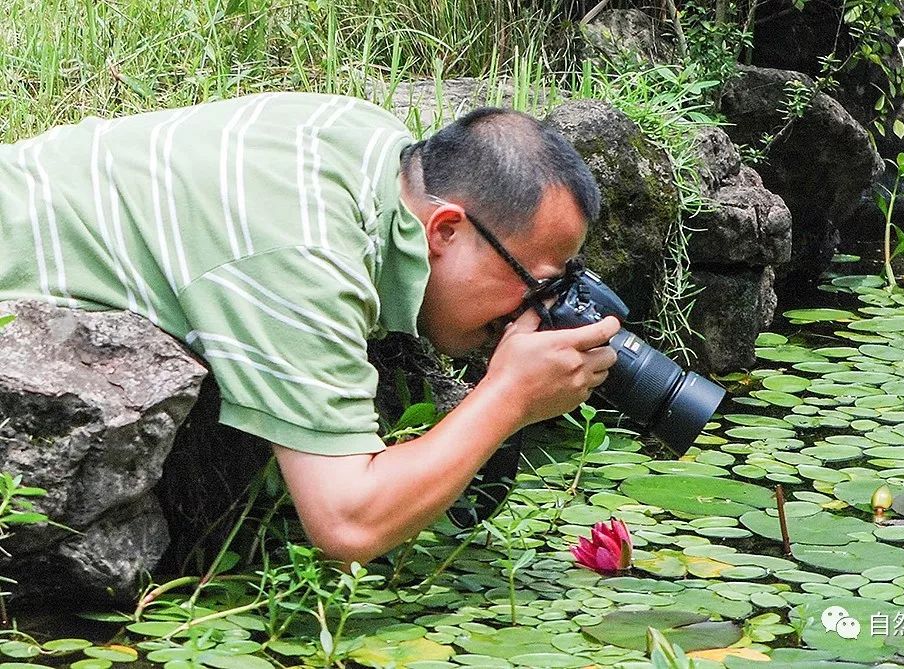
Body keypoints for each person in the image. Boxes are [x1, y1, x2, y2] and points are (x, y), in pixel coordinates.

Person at [0, 92, 619, 564]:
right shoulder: (305, 254)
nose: (539, 309)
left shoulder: (371, 143)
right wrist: (507, 397)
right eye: (536, 284)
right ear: (445, 230)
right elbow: (348, 522)